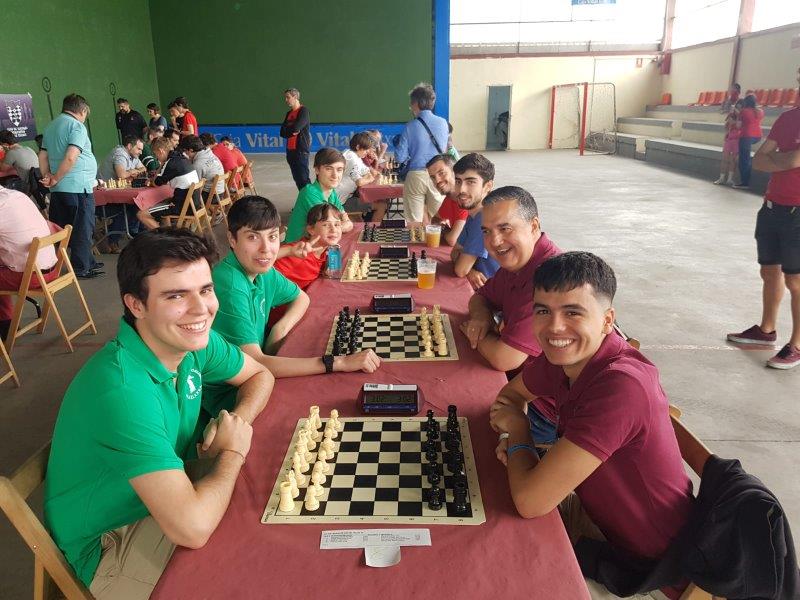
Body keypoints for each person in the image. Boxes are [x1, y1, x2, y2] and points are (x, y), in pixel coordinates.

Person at [44, 227, 273, 599]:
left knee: (265, 516)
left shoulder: (189, 340)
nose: (201, 309)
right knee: (254, 568)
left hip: (163, 499)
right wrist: (233, 450)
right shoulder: (122, 391)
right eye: (176, 295)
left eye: (205, 289)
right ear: (136, 305)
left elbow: (260, 375)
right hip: (108, 545)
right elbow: (192, 529)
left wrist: (237, 422)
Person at [489, 251, 693, 588]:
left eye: (573, 312)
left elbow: (530, 502)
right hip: (594, 512)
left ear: (607, 320)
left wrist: (518, 431)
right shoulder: (566, 356)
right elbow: (509, 397)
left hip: (643, 566)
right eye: (543, 311)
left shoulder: (621, 387)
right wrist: (508, 439)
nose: (554, 327)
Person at [205, 197, 378, 422]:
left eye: (272, 237)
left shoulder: (263, 271)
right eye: (252, 237)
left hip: (256, 378)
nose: (266, 249)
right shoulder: (230, 283)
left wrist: (280, 329)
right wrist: (339, 362)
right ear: (231, 239)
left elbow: (301, 298)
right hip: (229, 398)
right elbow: (257, 363)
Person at [728, 66, 800, 369]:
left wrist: (781, 159)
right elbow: (759, 160)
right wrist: (789, 159)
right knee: (769, 272)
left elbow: (785, 157)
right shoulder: (789, 119)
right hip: (772, 207)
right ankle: (766, 330)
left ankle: (797, 344)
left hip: (798, 213)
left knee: (795, 280)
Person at [39, 93, 103, 279]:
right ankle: (81, 267)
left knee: (62, 229)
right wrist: (56, 178)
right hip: (78, 186)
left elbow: (42, 156)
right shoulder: (76, 126)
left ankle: (84, 262)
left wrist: (48, 176)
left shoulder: (50, 126)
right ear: (82, 111)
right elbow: (71, 157)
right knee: (82, 227)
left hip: (59, 189)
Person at [0, 185, 59, 340]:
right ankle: (6, 324)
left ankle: (6, 324)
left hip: (30, 276)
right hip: (51, 270)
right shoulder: (18, 196)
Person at [394, 83, 448, 223]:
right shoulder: (443, 123)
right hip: (439, 175)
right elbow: (445, 150)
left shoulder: (410, 126)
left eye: (411, 104)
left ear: (416, 103)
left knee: (414, 223)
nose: (410, 107)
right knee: (442, 219)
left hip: (416, 176)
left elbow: (400, 158)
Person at [449, 153, 499, 289]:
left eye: (470, 182)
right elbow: (454, 252)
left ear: (488, 186)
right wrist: (470, 271)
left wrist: (466, 268)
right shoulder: (473, 215)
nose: (461, 189)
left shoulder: (484, 218)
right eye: (458, 181)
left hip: (492, 294)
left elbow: (460, 270)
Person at [283, 148, 353, 243]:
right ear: (317, 170)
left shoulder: (332, 193)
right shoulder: (309, 193)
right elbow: (327, 231)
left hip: (317, 245)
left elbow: (347, 223)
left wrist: (342, 224)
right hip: (298, 248)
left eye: (339, 170)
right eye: (328, 169)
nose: (335, 175)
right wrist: (342, 224)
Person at [136, 137, 200, 230]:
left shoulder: (170, 163)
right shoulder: (182, 158)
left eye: (155, 154)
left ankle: (165, 237)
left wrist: (161, 164)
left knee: (141, 214)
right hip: (194, 204)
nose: (156, 158)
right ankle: (168, 233)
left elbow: (155, 183)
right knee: (162, 204)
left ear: (160, 151)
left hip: (182, 207)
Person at [275, 202, 342, 289]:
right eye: (325, 225)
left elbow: (332, 271)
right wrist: (289, 250)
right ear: (311, 229)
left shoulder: (327, 249)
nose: (334, 229)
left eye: (337, 224)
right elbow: (267, 257)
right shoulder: (297, 252)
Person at [426, 153, 467, 246]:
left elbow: (453, 240)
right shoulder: (449, 199)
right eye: (433, 177)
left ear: (455, 173)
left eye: (441, 173)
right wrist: (445, 229)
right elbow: (435, 219)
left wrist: (443, 230)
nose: (437, 180)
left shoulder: (464, 200)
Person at [280, 88, 311, 190]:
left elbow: (296, 128)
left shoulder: (304, 111)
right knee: (297, 179)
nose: (286, 100)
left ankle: (311, 200)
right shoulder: (288, 114)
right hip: (290, 151)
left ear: (295, 97)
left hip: (301, 151)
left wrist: (290, 130)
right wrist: (292, 131)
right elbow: (282, 133)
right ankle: (303, 199)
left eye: (288, 97)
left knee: (304, 179)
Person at [733, 94, 764, 190]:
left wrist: (737, 115)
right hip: (758, 136)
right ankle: (745, 181)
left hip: (746, 136)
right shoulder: (760, 111)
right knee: (746, 159)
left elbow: (738, 126)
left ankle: (744, 182)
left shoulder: (744, 111)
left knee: (744, 160)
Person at [336, 131, 375, 203]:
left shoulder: (356, 156)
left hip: (344, 197)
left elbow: (368, 172)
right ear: (358, 147)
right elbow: (359, 182)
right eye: (366, 149)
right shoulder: (350, 157)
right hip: (336, 201)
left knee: (373, 200)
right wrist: (369, 179)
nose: (367, 152)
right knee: (377, 203)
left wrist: (367, 177)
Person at [183, 134, 225, 199]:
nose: (185, 154)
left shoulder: (198, 164)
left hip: (211, 196)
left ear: (191, 150)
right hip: (220, 192)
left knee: (184, 192)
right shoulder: (208, 152)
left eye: (185, 151)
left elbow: (193, 185)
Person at [0, 130, 40, 195]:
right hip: (39, 181)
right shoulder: (28, 148)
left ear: (5, 144)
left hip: (29, 185)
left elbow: (2, 169)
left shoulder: (11, 152)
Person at [714, 100, 743, 185]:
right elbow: (726, 126)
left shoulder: (742, 116)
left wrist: (738, 115)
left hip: (737, 140)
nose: (738, 109)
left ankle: (729, 179)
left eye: (740, 108)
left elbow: (739, 126)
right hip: (729, 139)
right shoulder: (731, 115)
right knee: (724, 159)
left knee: (733, 160)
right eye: (737, 107)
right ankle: (721, 178)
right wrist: (727, 130)